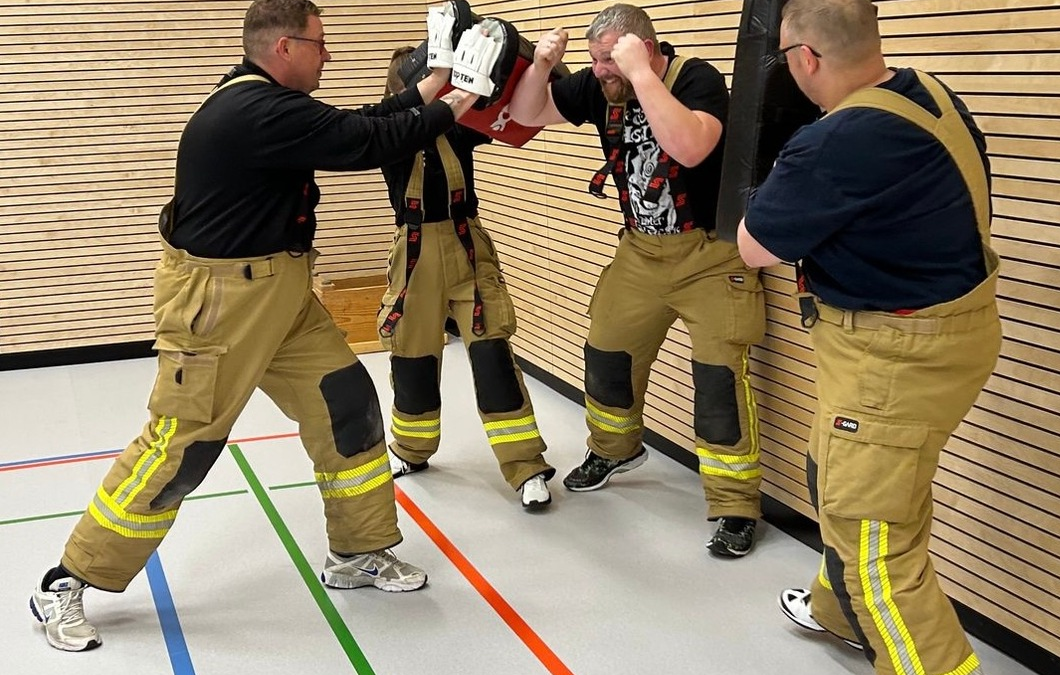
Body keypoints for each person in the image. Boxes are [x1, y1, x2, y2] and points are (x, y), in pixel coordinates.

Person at [28, 0, 492, 652]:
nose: (327, 55)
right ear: (284, 49)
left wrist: (436, 80)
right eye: (320, 44)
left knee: (347, 406)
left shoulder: (269, 103)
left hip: (283, 295)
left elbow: (354, 122)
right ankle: (66, 581)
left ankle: (358, 552)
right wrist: (466, 96)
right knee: (179, 448)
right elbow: (369, 142)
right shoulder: (256, 112)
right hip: (221, 307)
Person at [737, 0, 1001, 673]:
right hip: (944, 337)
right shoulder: (928, 95)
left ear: (805, 58)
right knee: (836, 470)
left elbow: (754, 245)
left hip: (895, 357)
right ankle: (839, 607)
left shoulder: (835, 141)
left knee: (875, 540)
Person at [510, 3, 767, 557]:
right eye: (595, 59)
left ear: (644, 50)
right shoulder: (601, 86)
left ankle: (736, 505)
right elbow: (528, 115)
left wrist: (642, 74)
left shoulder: (693, 78)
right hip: (641, 253)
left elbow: (692, 145)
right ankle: (616, 449)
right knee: (606, 351)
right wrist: (542, 65)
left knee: (719, 381)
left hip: (711, 255)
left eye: (610, 59)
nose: (600, 70)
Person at [378, 45, 556, 509]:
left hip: (466, 248)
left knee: (492, 353)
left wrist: (532, 67)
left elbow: (511, 118)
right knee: (412, 358)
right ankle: (411, 449)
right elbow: (393, 125)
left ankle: (526, 467)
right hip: (414, 254)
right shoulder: (388, 130)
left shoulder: (458, 123)